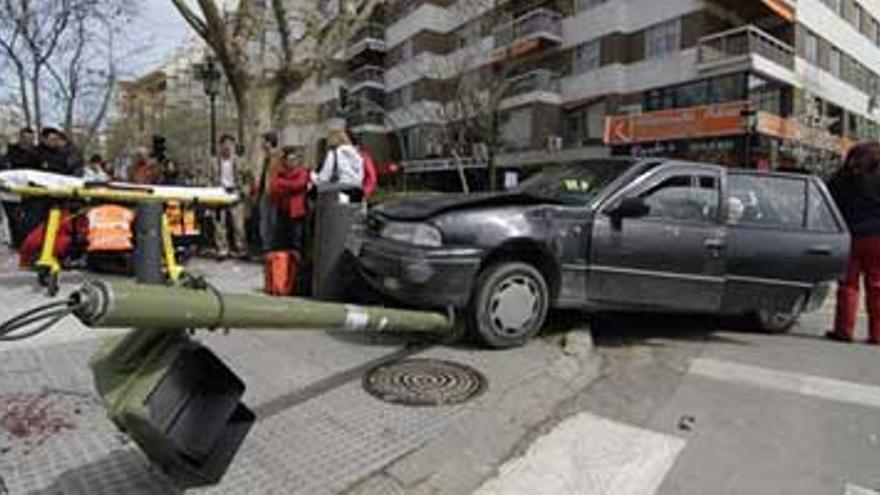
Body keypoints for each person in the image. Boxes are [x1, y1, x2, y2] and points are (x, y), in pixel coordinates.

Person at [827, 142, 880, 345]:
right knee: (877, 286)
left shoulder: (843, 177)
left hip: (849, 235)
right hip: (877, 237)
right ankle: (877, 334)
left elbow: (829, 200)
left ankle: (844, 330)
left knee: (848, 284)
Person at [269, 146, 311, 252]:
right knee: (281, 241)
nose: (293, 162)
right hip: (283, 211)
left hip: (297, 212)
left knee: (296, 241)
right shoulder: (279, 172)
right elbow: (274, 187)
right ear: (285, 161)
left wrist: (284, 185)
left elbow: (300, 184)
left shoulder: (303, 172)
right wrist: (291, 188)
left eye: (295, 159)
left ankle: (297, 264)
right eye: (290, 160)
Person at [212, 135, 248, 258]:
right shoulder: (214, 162)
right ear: (220, 146)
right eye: (225, 144)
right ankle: (222, 249)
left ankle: (241, 249)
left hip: (235, 192)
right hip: (219, 193)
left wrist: (244, 190)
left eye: (230, 145)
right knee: (219, 224)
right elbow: (209, 178)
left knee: (238, 224)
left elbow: (247, 178)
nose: (228, 147)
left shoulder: (240, 161)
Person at [315, 129, 364, 201]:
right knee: (354, 211)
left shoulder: (333, 153)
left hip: (341, 192)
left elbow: (324, 177)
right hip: (357, 191)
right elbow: (361, 176)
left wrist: (313, 177)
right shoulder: (356, 154)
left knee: (340, 211)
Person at [256, 131, 282, 254]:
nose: (262, 144)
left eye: (264, 141)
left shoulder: (276, 157)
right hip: (264, 193)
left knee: (271, 221)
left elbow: (275, 176)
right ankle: (266, 246)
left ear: (269, 142)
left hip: (272, 194)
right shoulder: (267, 157)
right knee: (265, 221)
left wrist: (270, 189)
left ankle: (270, 247)